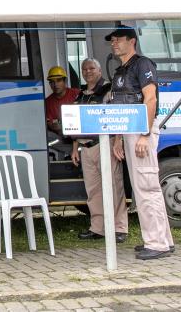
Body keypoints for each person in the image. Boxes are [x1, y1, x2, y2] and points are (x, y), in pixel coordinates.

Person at [106, 25, 175, 260]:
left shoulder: (142, 64)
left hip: (140, 131)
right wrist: (118, 139)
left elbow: (150, 99)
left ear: (132, 41)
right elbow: (119, 108)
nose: (114, 43)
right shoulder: (120, 70)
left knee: (147, 187)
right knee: (142, 187)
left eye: (118, 39)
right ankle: (164, 240)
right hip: (128, 132)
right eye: (112, 40)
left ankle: (157, 244)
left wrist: (145, 134)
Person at [72, 58, 128, 243]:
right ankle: (98, 228)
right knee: (93, 191)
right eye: (84, 69)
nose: (87, 72)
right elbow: (76, 123)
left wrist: (118, 141)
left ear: (99, 70)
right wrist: (75, 147)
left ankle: (119, 228)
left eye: (91, 68)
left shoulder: (109, 90)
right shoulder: (81, 95)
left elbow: (117, 116)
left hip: (105, 144)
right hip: (86, 148)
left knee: (114, 187)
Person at [44, 65, 80, 139]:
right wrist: (53, 126)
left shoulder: (77, 94)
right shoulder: (48, 102)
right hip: (60, 137)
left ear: (65, 81)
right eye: (52, 82)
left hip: (79, 134)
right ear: (50, 84)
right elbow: (49, 122)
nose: (55, 85)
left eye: (58, 80)